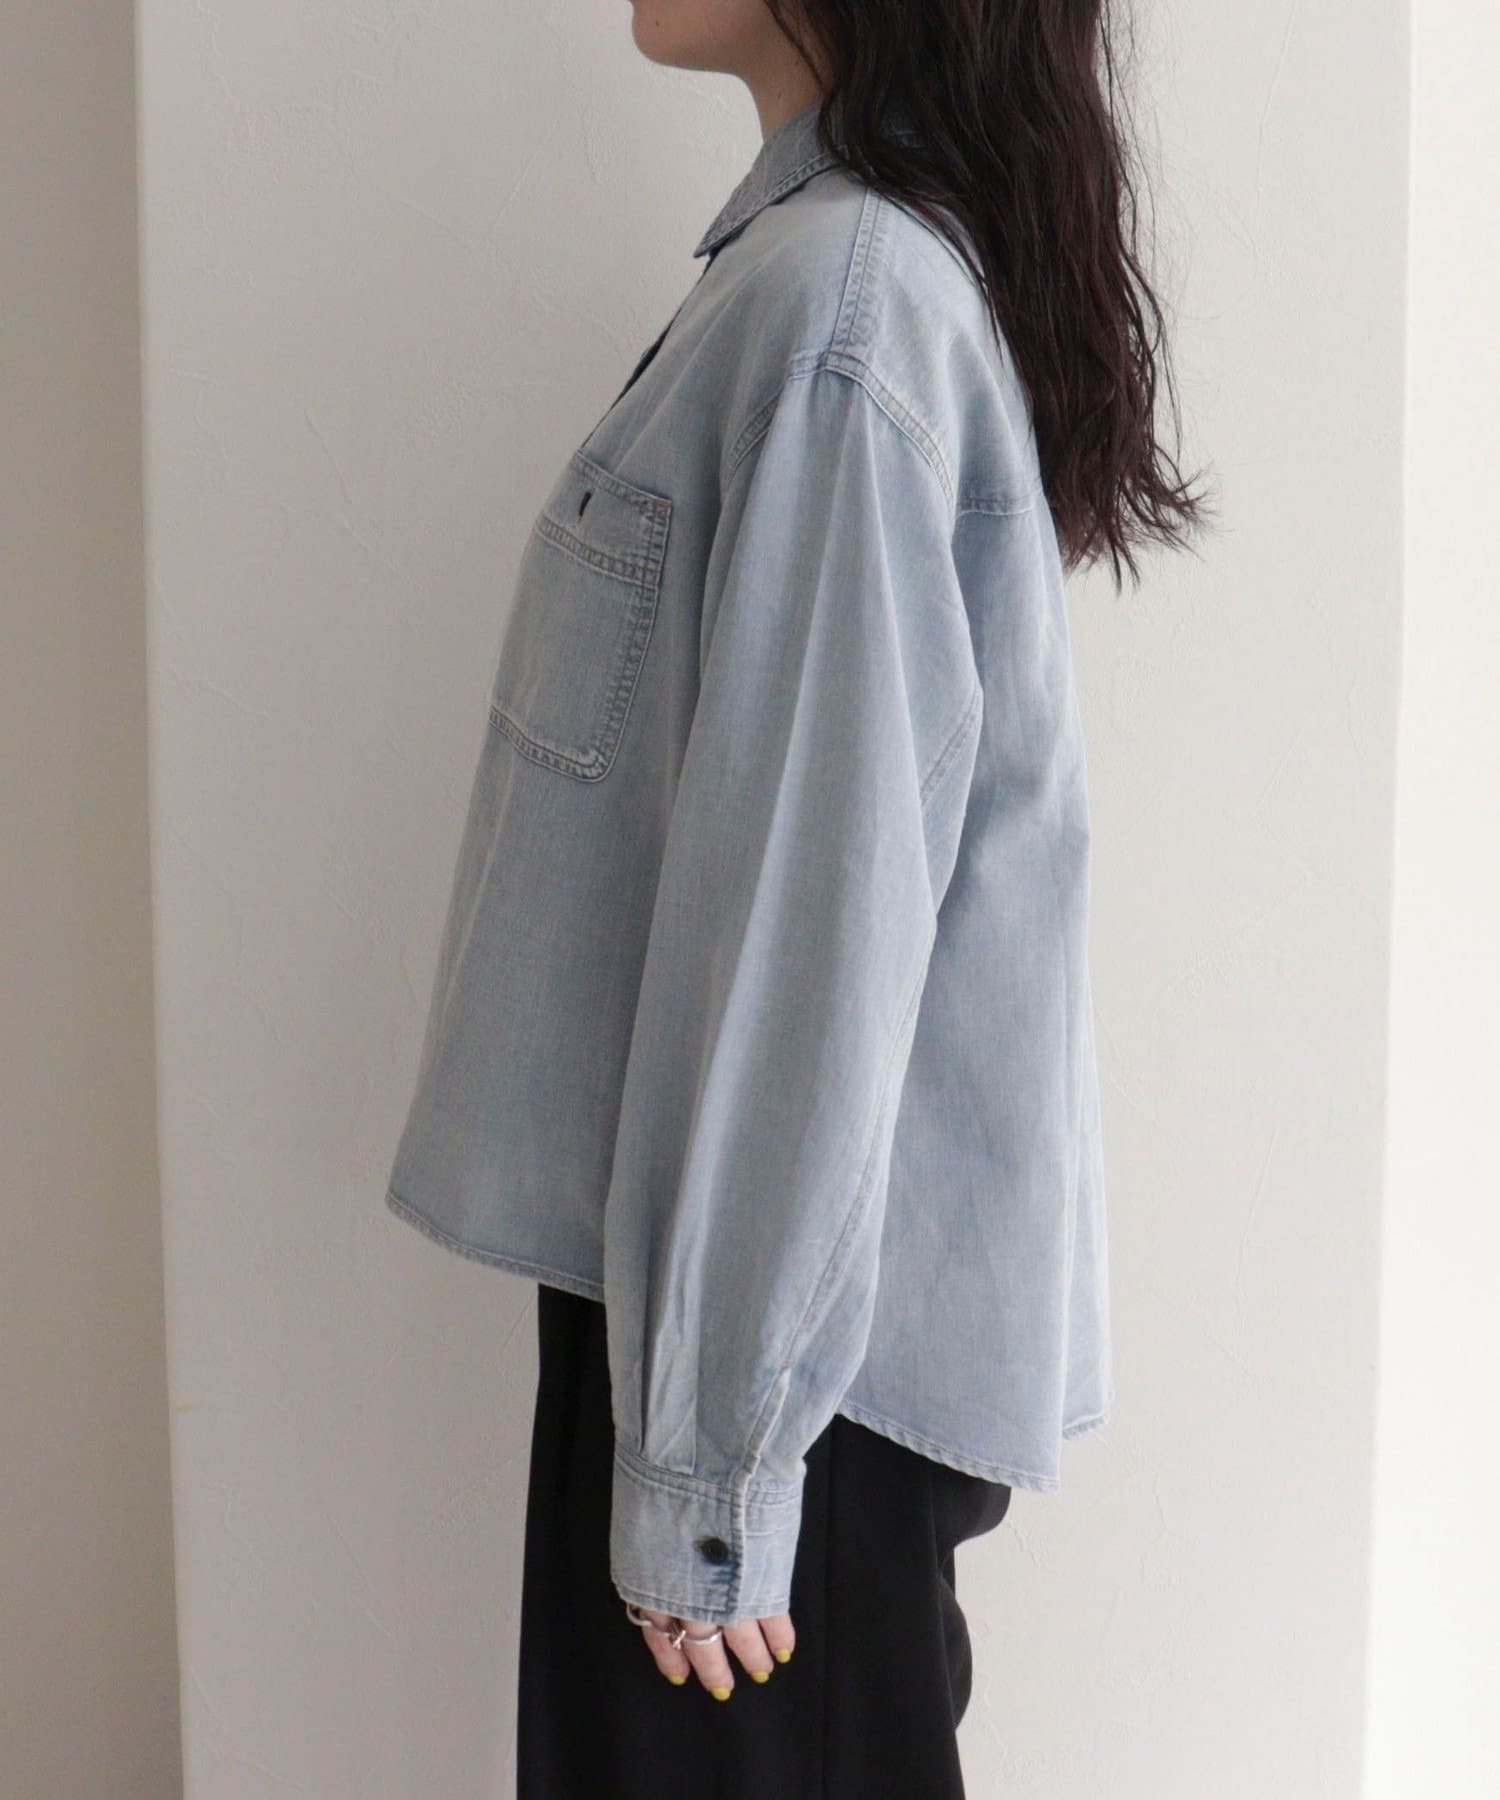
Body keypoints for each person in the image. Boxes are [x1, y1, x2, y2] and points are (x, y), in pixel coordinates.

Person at [384, 1, 1205, 1792]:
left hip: (770, 1381)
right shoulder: (825, 282)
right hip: (739, 1338)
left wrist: (711, 1472)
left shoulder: (846, 311)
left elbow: (805, 932)